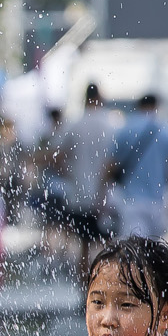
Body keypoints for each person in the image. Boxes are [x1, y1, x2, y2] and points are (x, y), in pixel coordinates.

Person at [49, 84, 117, 264]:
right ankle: (107, 286)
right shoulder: (111, 125)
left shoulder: (74, 123)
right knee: (108, 246)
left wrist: (68, 173)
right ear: (100, 98)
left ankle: (84, 290)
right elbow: (115, 162)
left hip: (79, 194)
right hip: (104, 197)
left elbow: (55, 155)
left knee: (83, 247)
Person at [111, 94, 168, 241]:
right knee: (154, 251)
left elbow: (111, 164)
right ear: (157, 106)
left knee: (133, 250)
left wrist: (102, 193)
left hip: (131, 201)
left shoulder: (126, 129)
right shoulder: (167, 131)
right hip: (158, 202)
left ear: (138, 106)